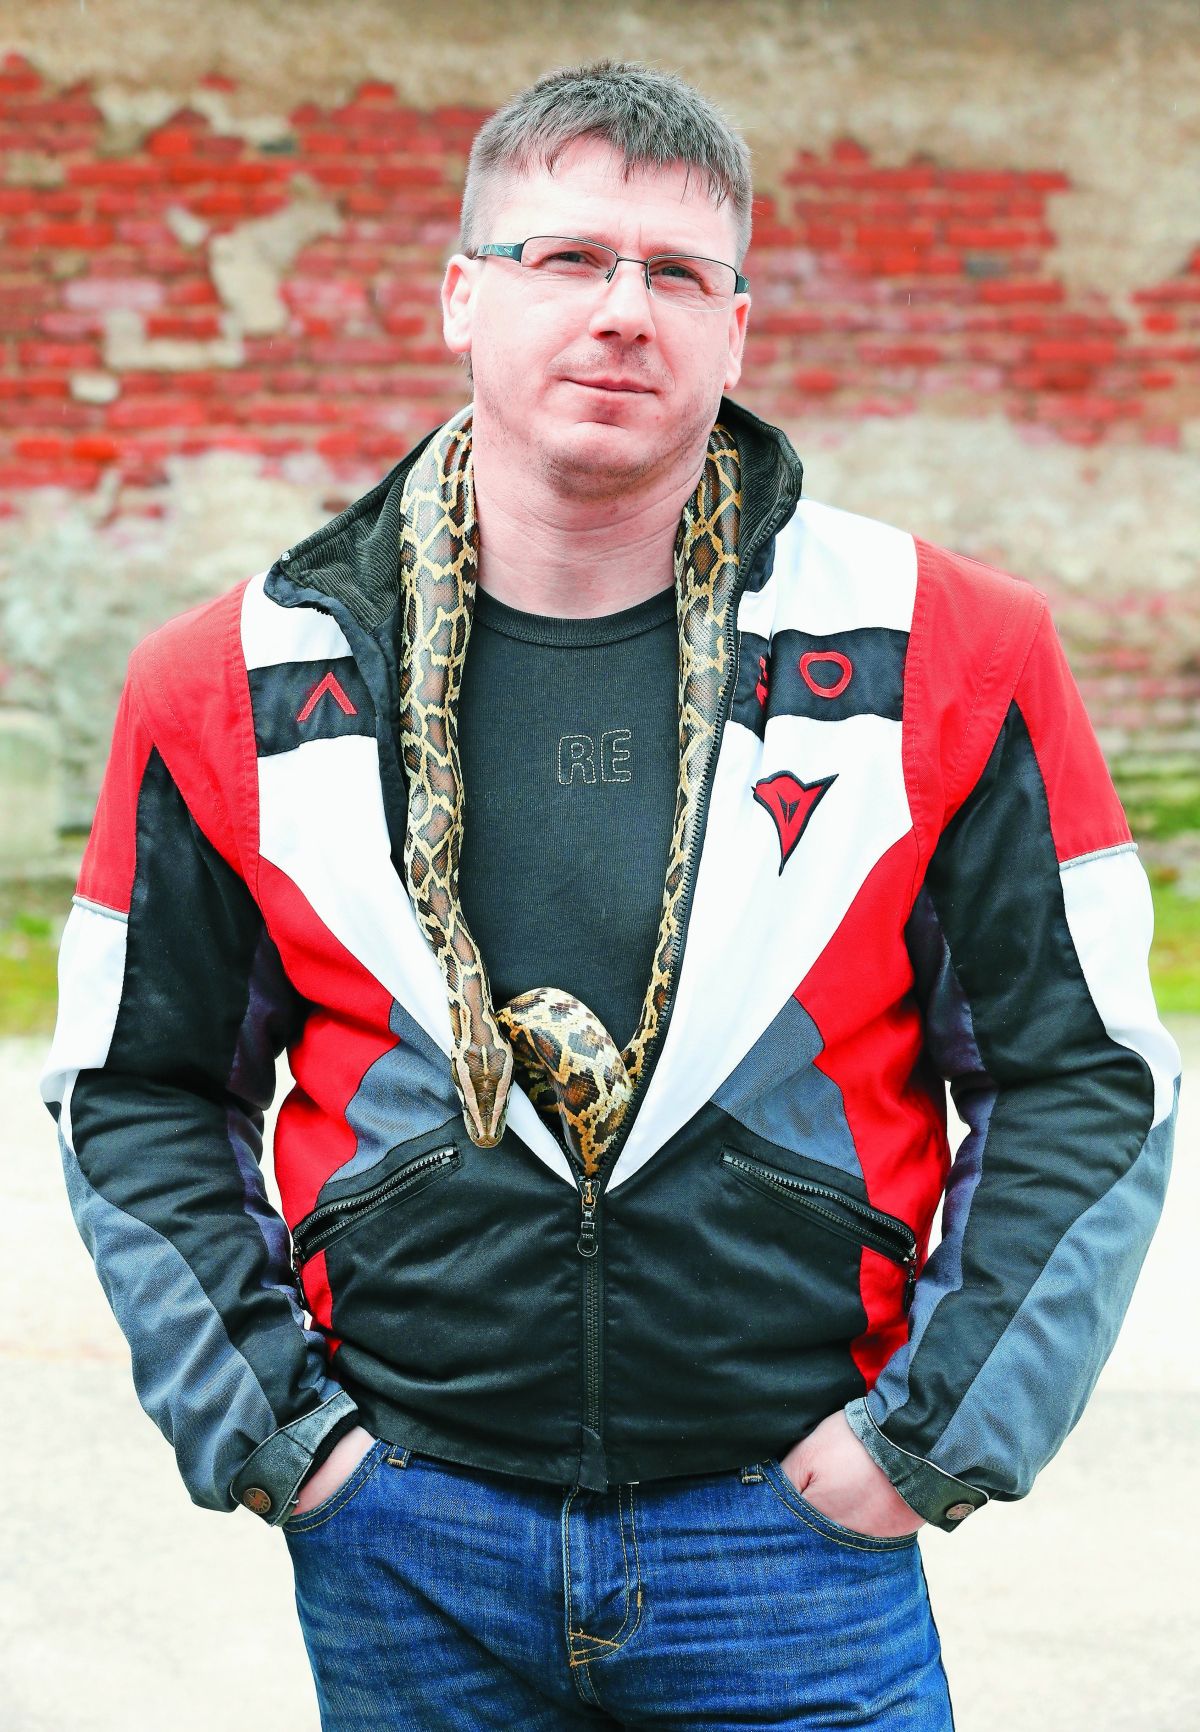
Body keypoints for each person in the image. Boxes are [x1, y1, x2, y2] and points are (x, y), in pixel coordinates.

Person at [41, 57, 1179, 1732]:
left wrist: (924, 1442)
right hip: (409, 1535)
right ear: (461, 296)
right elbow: (136, 1089)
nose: (622, 311)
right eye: (565, 257)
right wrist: (289, 1443)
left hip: (793, 1541)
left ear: (738, 329)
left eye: (679, 273)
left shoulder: (949, 651)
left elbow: (1083, 1074)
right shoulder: (236, 679)